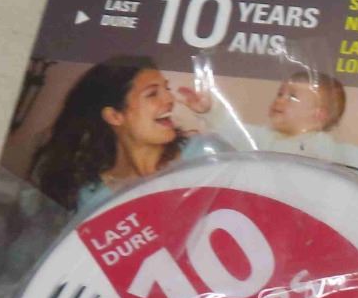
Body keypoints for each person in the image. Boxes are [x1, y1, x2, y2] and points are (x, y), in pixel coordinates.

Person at [29, 56, 218, 215]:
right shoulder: (92, 201)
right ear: (114, 116)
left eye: (166, 89)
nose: (170, 99)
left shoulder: (202, 152)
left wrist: (214, 114)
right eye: (152, 93)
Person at [205, 70, 358, 173]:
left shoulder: (327, 148)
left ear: (318, 115)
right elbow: (234, 130)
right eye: (280, 94)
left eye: (292, 97)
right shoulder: (263, 138)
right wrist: (209, 110)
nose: (279, 100)